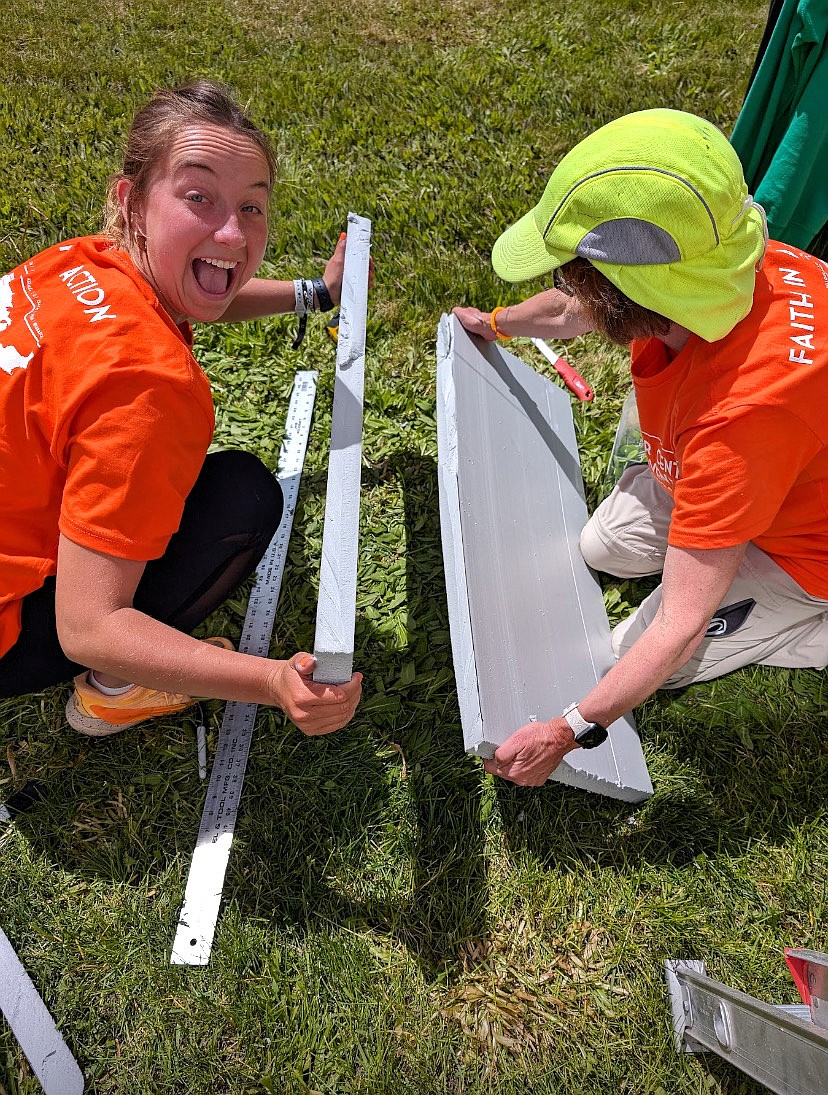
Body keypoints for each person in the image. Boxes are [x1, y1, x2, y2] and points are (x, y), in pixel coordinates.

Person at [453, 107, 828, 787]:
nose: (567, 292)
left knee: (634, 655)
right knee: (604, 549)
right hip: (757, 473)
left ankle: (806, 624)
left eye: (574, 277)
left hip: (804, 550)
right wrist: (496, 323)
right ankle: (721, 536)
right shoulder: (722, 262)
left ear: (633, 299)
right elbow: (579, 308)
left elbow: (682, 622)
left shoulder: (738, 421)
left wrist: (569, 725)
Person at [0, 80, 362, 738]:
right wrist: (272, 679)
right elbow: (88, 625)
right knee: (242, 500)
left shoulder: (80, 263)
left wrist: (313, 294)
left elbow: (200, 289)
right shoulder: (148, 390)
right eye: (199, 197)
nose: (232, 231)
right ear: (131, 201)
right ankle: (114, 693)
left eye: (252, 206)